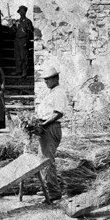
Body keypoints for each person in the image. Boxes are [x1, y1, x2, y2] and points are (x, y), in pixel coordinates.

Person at [36, 67, 68, 202]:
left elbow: (58, 113)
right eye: (45, 80)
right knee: (42, 159)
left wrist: (44, 124)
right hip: (45, 127)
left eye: (48, 79)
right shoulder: (51, 92)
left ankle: (54, 192)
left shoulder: (59, 93)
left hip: (51, 127)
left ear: (55, 79)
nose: (46, 82)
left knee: (47, 160)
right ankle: (47, 187)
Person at [9, 5, 34, 78]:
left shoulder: (28, 21)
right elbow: (11, 32)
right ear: (19, 12)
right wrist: (11, 25)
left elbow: (30, 32)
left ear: (25, 12)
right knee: (17, 56)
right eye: (20, 11)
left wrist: (27, 41)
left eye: (23, 11)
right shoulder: (17, 22)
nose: (22, 12)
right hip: (17, 40)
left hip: (23, 39)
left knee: (24, 56)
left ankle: (24, 71)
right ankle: (18, 70)